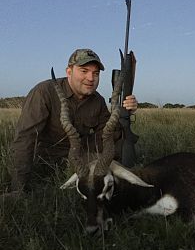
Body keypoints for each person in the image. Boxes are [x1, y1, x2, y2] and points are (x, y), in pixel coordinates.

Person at [6, 48, 138, 196]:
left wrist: (126, 112)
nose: (91, 78)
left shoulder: (97, 100)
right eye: (84, 71)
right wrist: (18, 188)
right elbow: (25, 139)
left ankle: (123, 184)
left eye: (96, 73)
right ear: (69, 72)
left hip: (81, 156)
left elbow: (110, 134)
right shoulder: (44, 92)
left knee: (119, 136)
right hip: (50, 159)